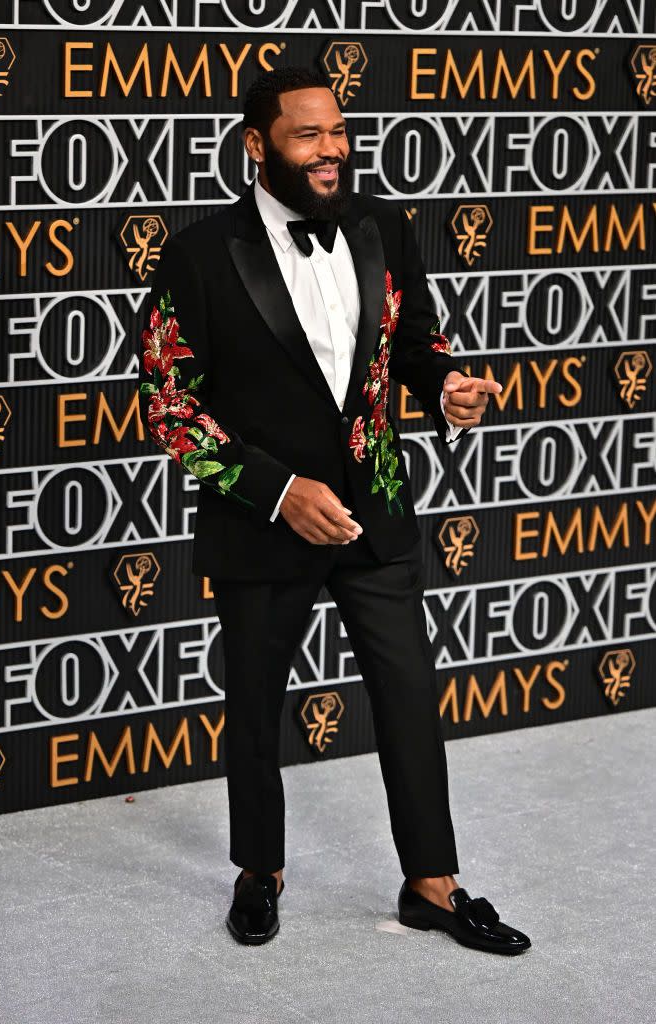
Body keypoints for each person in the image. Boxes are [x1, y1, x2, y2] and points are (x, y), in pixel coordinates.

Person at [137, 65, 531, 955]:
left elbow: (416, 341)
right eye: (307, 135)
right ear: (257, 146)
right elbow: (168, 405)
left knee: (407, 696)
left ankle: (432, 884)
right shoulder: (200, 254)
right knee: (255, 706)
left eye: (338, 132)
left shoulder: (380, 224)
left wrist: (448, 388)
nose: (332, 151)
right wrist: (276, 489)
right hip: (262, 522)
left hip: (376, 510)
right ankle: (259, 871)